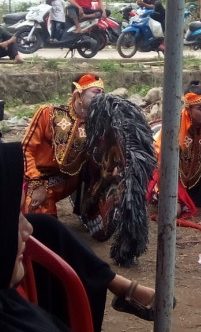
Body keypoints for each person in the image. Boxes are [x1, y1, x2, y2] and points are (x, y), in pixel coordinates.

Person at [0, 141, 159, 331]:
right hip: (44, 178)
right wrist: (37, 182)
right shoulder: (46, 114)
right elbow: (28, 148)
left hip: (71, 177)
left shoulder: (91, 122)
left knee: (45, 227)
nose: (28, 230)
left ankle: (115, 282)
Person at [22, 74, 105, 215]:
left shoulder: (97, 125)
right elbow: (25, 149)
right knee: (36, 212)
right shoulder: (48, 113)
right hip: (35, 176)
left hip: (67, 179)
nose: (101, 96)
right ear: (78, 94)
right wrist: (36, 185)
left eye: (103, 93)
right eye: (96, 92)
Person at [147, 82, 201, 218]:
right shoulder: (175, 127)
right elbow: (160, 157)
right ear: (188, 108)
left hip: (193, 180)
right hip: (170, 176)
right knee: (174, 212)